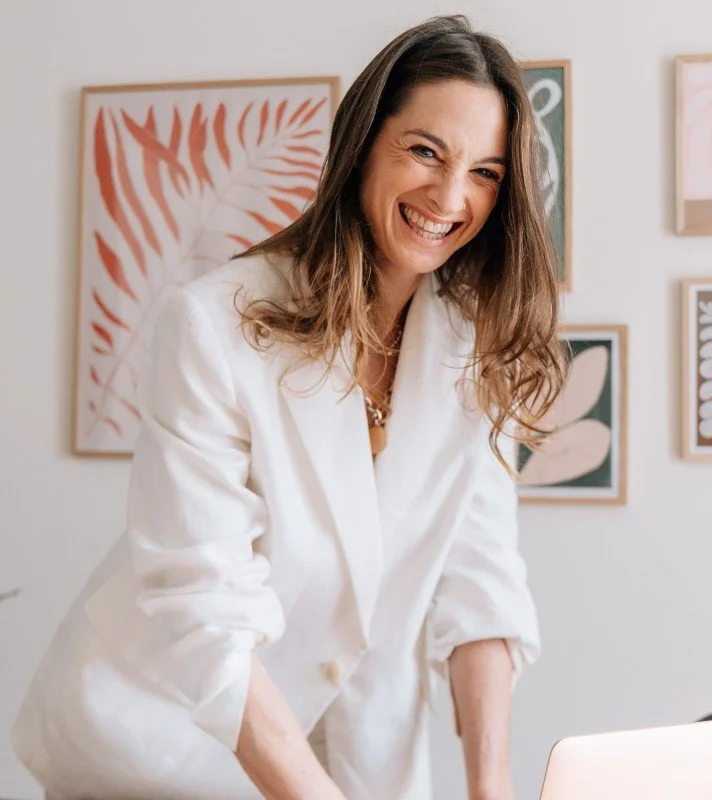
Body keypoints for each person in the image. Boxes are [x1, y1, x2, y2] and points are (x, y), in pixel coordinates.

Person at [13, 14, 564, 800]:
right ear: (364, 141)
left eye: (486, 171)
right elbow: (207, 610)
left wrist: (492, 785)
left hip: (359, 750)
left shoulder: (473, 343)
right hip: (163, 746)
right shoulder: (213, 323)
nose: (449, 195)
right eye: (425, 151)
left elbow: (481, 586)